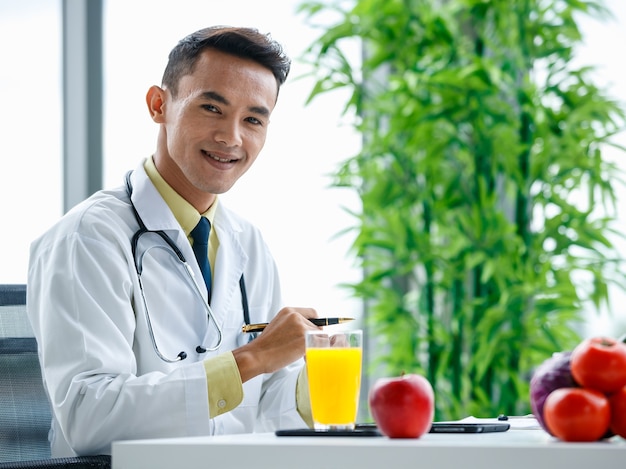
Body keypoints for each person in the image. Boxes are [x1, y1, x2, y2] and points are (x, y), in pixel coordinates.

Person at [27, 26, 319, 457]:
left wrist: (320, 382)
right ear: (159, 105)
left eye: (253, 119)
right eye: (212, 108)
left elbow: (261, 409)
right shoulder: (87, 238)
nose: (232, 137)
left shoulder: (248, 244)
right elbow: (89, 418)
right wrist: (253, 358)